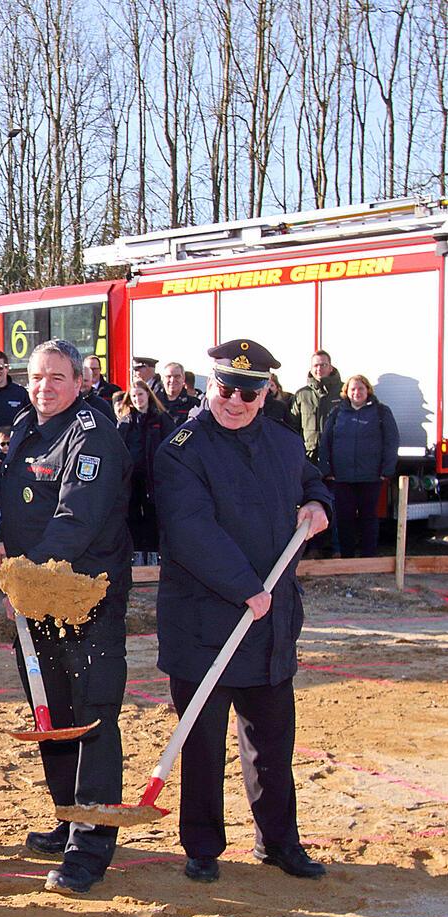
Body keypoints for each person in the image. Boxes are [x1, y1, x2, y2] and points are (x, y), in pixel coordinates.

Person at [154, 339, 332, 885]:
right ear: (211, 386)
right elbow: (190, 529)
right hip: (205, 621)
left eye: (248, 392)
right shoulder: (180, 448)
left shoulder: (281, 441)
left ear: (265, 393)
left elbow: (310, 482)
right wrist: (244, 586)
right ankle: (202, 845)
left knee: (272, 742)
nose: (235, 401)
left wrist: (318, 504)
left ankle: (278, 842)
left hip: (270, 623)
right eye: (226, 388)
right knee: (202, 743)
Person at [0, 339, 132, 896]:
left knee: (91, 715)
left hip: (82, 599)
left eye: (57, 377)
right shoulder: (26, 427)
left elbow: (76, 520)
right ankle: (67, 813)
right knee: (52, 712)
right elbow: (16, 505)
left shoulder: (94, 435)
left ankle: (90, 846)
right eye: (37, 376)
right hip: (36, 598)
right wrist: (1, 544)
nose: (44, 386)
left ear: (80, 382)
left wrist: (24, 577)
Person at [319, 374, 399, 558]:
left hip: (370, 477)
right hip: (342, 477)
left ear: (368, 390)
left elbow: (391, 441)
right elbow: (326, 442)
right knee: (344, 520)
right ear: (346, 391)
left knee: (369, 518)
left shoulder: (381, 412)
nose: (357, 392)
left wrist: (386, 470)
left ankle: (368, 557)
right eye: (352, 389)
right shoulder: (337, 412)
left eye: (361, 388)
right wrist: (327, 470)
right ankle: (347, 557)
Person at [115, 380, 168, 562]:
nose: (137, 399)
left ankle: (154, 556)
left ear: (148, 395)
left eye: (141, 394)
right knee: (133, 517)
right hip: (132, 480)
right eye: (134, 396)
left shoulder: (161, 418)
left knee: (154, 517)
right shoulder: (125, 421)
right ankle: (136, 556)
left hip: (154, 479)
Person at [291, 350, 342, 464]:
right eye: (315, 365)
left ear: (331, 367)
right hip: (309, 457)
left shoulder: (343, 392)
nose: (319, 369)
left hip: (337, 457)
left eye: (323, 365)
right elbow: (292, 427)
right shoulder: (302, 394)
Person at [159, 362, 199, 432]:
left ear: (183, 378)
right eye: (168, 376)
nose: (172, 380)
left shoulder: (194, 404)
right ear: (163, 379)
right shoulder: (153, 403)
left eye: (177, 376)